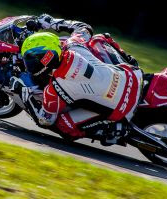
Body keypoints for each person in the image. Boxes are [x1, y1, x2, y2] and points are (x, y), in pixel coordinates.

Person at [10, 14, 143, 145]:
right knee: (99, 40)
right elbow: (84, 27)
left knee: (63, 125)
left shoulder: (53, 89)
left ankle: (113, 129)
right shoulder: (73, 45)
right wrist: (51, 22)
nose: (29, 66)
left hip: (121, 107)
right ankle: (130, 61)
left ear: (45, 59)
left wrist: (24, 93)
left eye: (30, 61)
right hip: (132, 76)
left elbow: (45, 120)